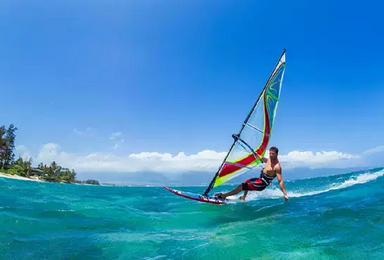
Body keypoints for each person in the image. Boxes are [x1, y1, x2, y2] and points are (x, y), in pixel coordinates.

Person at [214, 146, 289, 201]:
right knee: (246, 181)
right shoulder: (269, 160)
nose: (271, 155)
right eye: (270, 153)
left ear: (277, 154)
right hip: (260, 179)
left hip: (262, 184)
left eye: (272, 154)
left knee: (242, 186)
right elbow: (262, 158)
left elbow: (280, 181)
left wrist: (285, 194)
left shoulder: (277, 167)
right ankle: (243, 197)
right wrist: (256, 155)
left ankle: (224, 196)